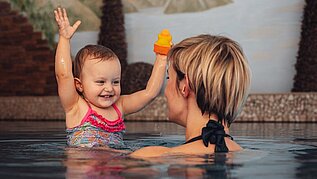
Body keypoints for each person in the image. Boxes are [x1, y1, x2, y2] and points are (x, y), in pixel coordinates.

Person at [54, 8, 167, 147]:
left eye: (115, 82)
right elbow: (64, 75)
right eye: (101, 82)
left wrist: (161, 59)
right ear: (79, 85)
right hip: (84, 164)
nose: (109, 88)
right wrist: (64, 39)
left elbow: (149, 93)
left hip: (114, 164)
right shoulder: (75, 106)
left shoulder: (120, 105)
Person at [131, 34, 251, 157]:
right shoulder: (249, 154)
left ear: (185, 86)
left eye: (169, 78)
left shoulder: (152, 156)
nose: (166, 91)